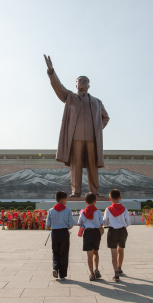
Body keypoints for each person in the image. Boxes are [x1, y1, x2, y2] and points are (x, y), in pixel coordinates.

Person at [44, 55, 110, 197]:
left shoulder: (97, 102)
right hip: (75, 138)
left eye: (85, 81)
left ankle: (95, 192)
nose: (83, 82)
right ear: (76, 84)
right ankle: (76, 192)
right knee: (76, 166)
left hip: (92, 139)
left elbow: (106, 117)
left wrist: (98, 128)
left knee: (93, 166)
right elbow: (59, 87)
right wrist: (51, 71)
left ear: (89, 85)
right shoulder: (70, 97)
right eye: (80, 80)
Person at [103, 189, 131, 282]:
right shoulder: (125, 209)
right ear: (120, 198)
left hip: (112, 231)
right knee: (121, 249)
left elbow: (105, 222)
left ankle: (116, 274)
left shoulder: (108, 209)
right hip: (122, 231)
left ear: (110, 199)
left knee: (113, 253)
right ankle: (119, 268)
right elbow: (128, 223)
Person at [46, 191, 74, 280]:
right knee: (64, 253)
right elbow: (71, 224)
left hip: (54, 233)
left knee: (55, 251)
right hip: (64, 233)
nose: (66, 201)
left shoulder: (51, 210)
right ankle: (62, 274)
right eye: (66, 199)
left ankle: (55, 268)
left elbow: (48, 223)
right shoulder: (68, 210)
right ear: (62, 200)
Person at [78, 192, 104, 281]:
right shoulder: (98, 212)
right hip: (96, 233)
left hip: (87, 233)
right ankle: (96, 269)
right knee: (95, 252)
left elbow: (79, 223)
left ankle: (92, 274)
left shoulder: (82, 212)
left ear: (85, 202)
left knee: (89, 254)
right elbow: (101, 223)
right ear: (95, 201)